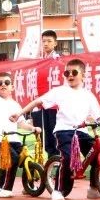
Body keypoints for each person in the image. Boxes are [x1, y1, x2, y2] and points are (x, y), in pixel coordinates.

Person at [15, 58, 100, 200]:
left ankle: (94, 188)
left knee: (97, 154)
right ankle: (58, 190)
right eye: (67, 73)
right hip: (64, 131)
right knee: (68, 156)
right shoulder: (60, 91)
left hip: (82, 133)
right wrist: (20, 114)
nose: (70, 75)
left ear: (83, 75)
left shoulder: (88, 95)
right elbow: (37, 101)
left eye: (74, 72)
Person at [0, 46, 39, 198]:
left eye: (6, 82)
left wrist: (32, 128)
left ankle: (30, 186)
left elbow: (21, 123)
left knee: (26, 158)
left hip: (14, 140)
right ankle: (4, 188)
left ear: (12, 87)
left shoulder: (16, 105)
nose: (3, 85)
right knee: (12, 159)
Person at [30, 29, 62, 157]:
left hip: (54, 103)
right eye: (44, 41)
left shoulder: (58, 60)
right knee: (45, 132)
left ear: (55, 43)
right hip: (42, 102)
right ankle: (51, 158)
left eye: (49, 41)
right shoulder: (40, 61)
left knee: (55, 131)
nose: (46, 44)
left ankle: (58, 157)